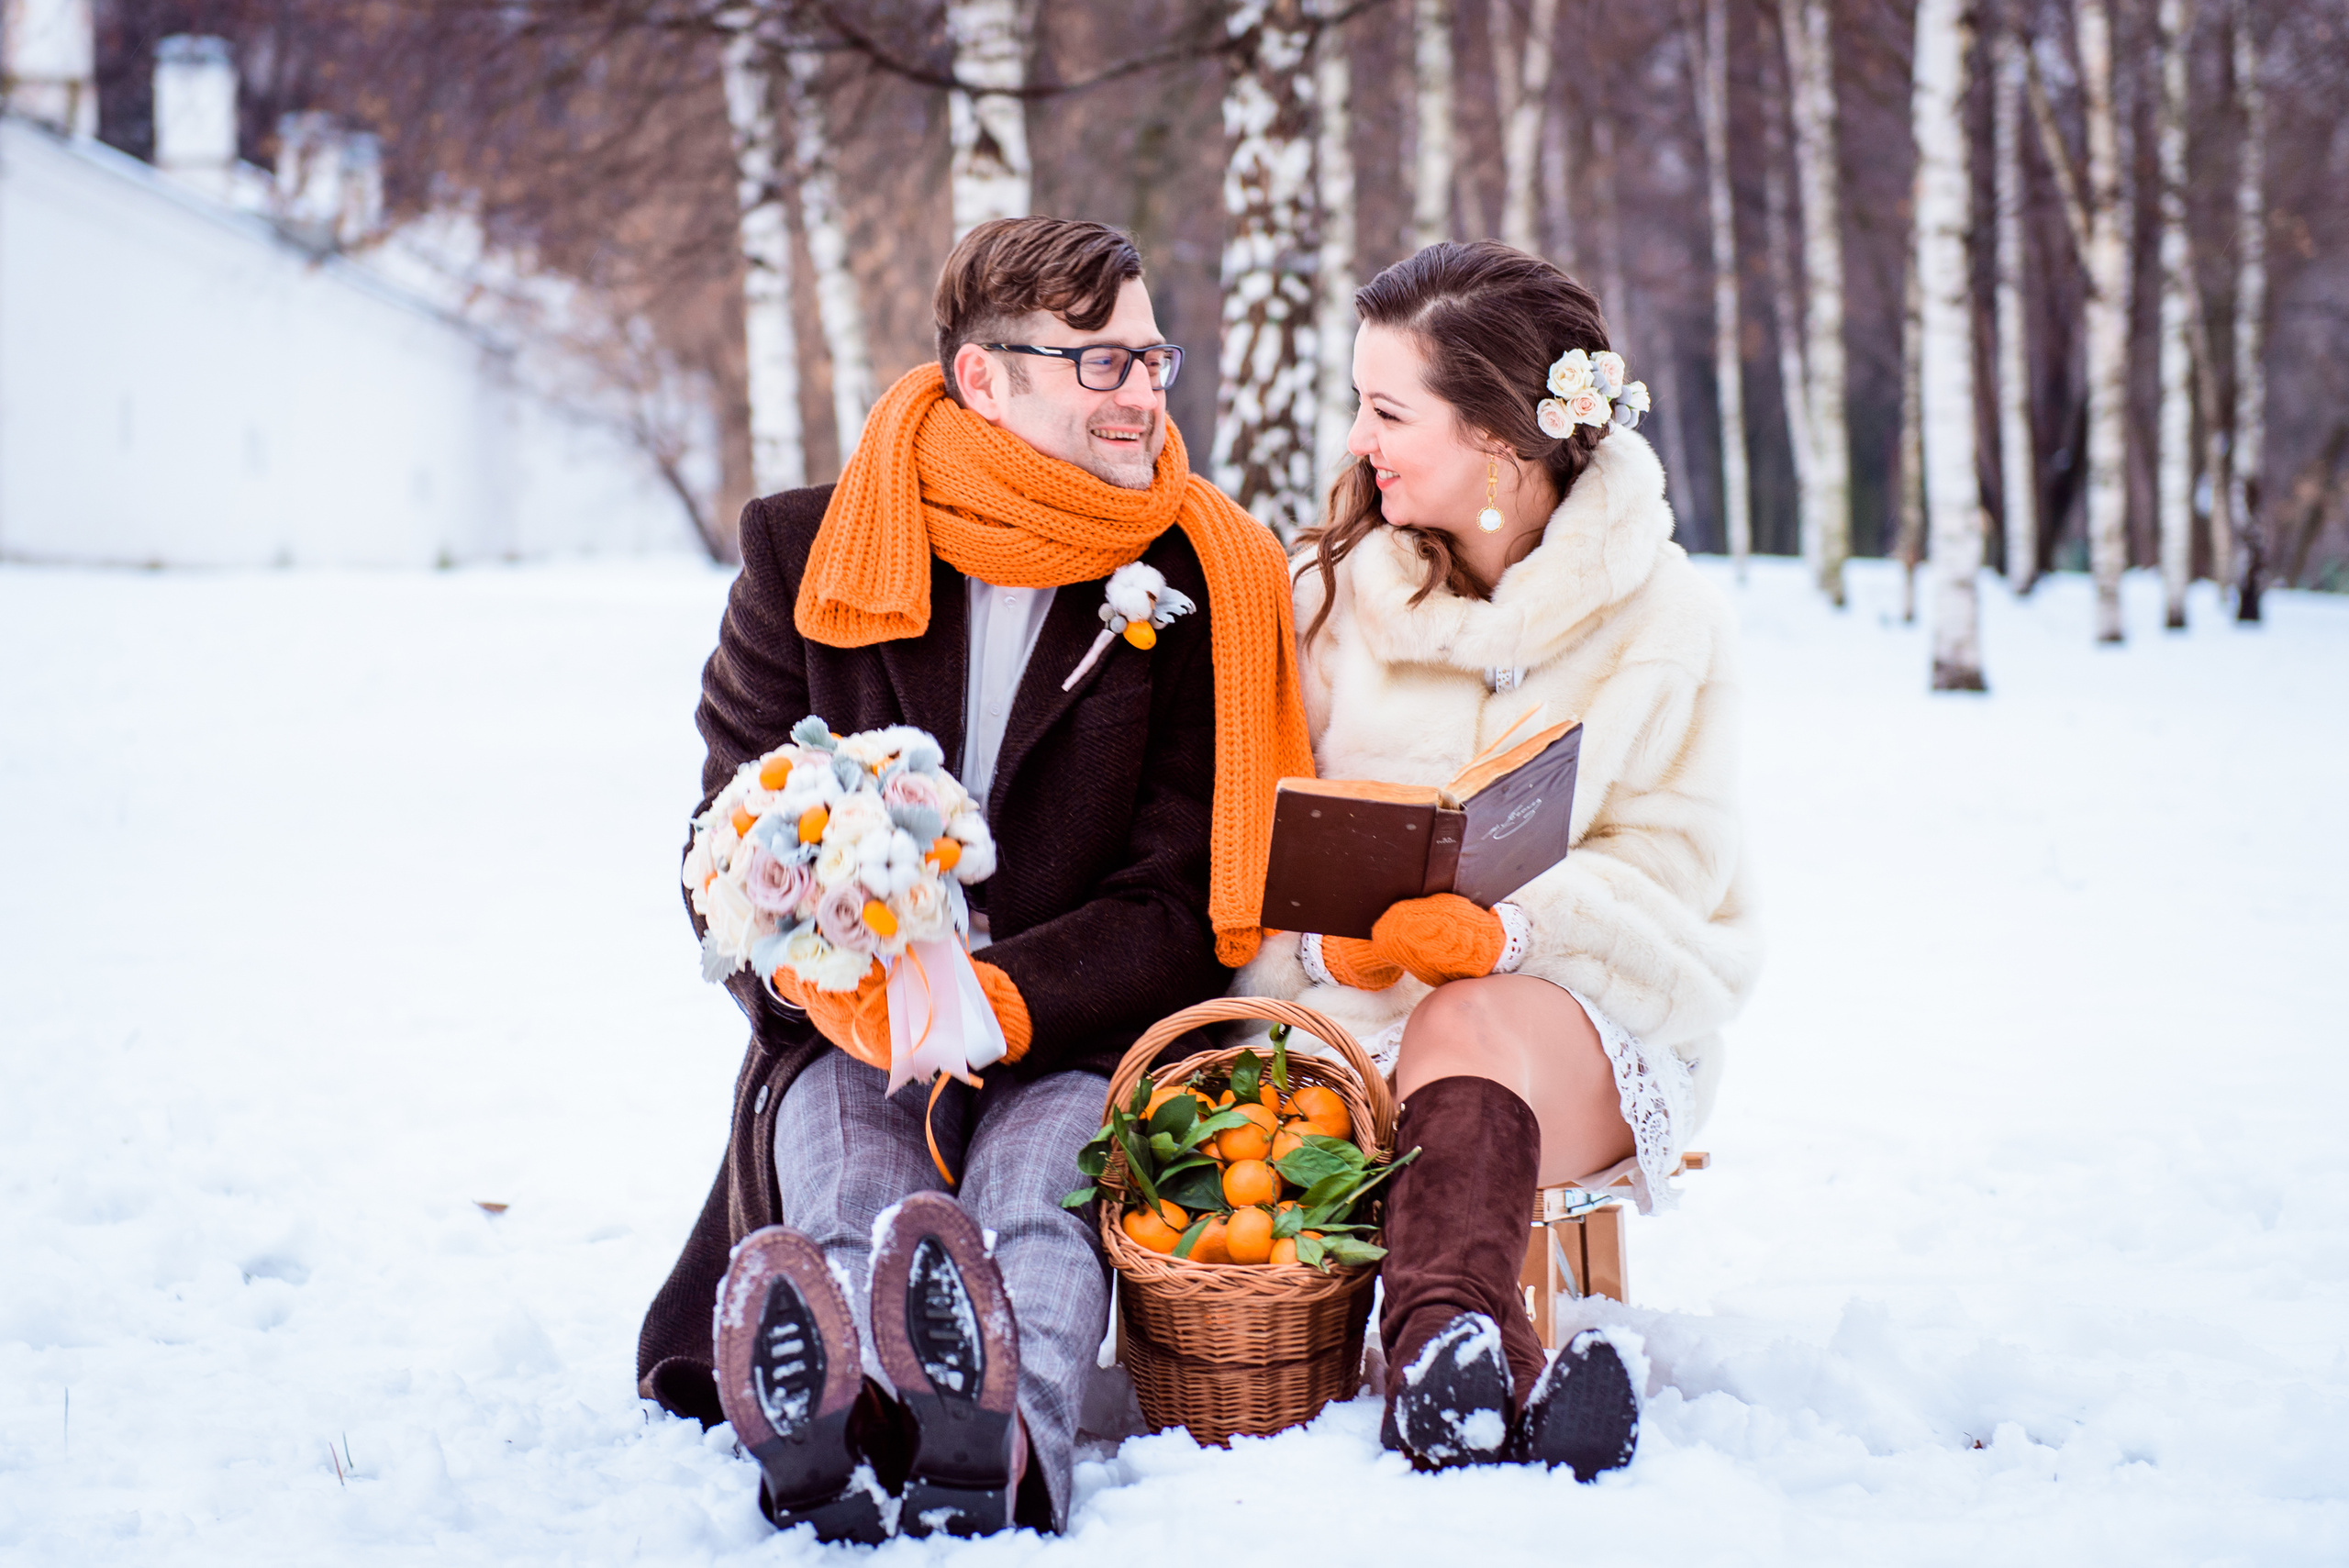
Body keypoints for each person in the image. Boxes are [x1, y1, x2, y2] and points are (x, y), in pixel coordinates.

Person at [635, 217, 1312, 1541]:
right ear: (983, 378)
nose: (1141, 392)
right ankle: (834, 1422)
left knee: (1043, 1197)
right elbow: (723, 845)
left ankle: (997, 1448)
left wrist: (999, 1003)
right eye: (1099, 362)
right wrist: (827, 976)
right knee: (850, 1178)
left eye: (1151, 358)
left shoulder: (1193, 579)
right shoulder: (804, 550)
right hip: (851, 1028)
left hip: (1070, 1025)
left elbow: (1180, 900)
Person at [1234, 240, 1761, 1477]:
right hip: (1346, 1020)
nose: (1358, 440)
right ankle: (1467, 1358)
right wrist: (1336, 944)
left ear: (1498, 440)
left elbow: (1679, 876)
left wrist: (1512, 929)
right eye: (1358, 404)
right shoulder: (1323, 600)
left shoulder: (1669, 622)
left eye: (1388, 411)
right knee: (1370, 1052)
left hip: (1576, 1023)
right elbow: (1250, 842)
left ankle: (1438, 1342)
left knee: (1469, 1016)